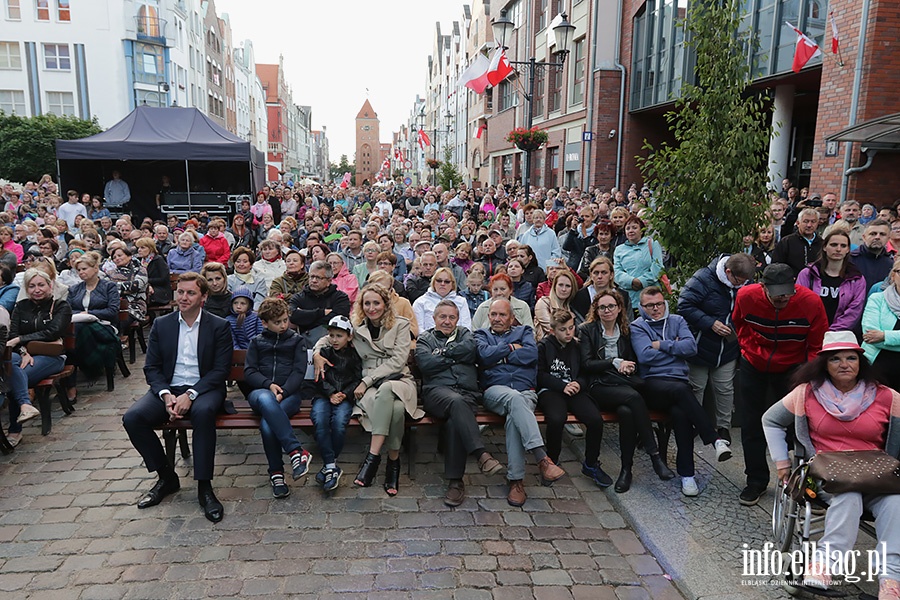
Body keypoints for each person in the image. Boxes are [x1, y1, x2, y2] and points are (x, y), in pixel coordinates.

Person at [762, 331, 900, 597]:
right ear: (824, 363)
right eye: (835, 359)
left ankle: (891, 580)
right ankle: (823, 566)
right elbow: (771, 420)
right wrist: (782, 464)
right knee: (847, 496)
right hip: (825, 472)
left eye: (851, 357)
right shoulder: (806, 394)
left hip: (876, 474)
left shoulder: (887, 396)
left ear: (861, 362)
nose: (844, 364)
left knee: (896, 502)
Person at [122, 273, 233, 523]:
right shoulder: (163, 325)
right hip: (169, 388)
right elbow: (152, 367)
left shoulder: (218, 326)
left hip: (205, 388)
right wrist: (166, 395)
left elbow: (220, 371)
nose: (183, 297)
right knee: (133, 418)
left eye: (190, 293)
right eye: (180, 292)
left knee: (203, 413)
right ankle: (166, 476)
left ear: (203, 297)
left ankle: (204, 487)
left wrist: (191, 395)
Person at [732, 263, 828, 506]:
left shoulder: (811, 302)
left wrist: (808, 375)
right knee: (751, 423)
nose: (782, 298)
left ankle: (802, 483)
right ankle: (756, 480)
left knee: (798, 426)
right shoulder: (746, 295)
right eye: (776, 293)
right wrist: (748, 348)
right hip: (754, 364)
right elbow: (739, 324)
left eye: (787, 291)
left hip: (792, 368)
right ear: (763, 286)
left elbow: (817, 343)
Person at [313, 284, 420, 497]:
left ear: (386, 304)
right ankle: (393, 463)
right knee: (396, 410)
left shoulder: (400, 325)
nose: (372, 308)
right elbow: (328, 337)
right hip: (370, 388)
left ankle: (372, 458)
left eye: (376, 303)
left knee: (389, 389)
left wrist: (367, 380)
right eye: (367, 303)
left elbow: (398, 361)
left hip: (397, 380)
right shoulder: (356, 325)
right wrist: (316, 353)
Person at [630, 287, 732, 497]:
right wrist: (674, 349)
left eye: (659, 304)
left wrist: (661, 345)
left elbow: (691, 348)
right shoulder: (637, 326)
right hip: (653, 384)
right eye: (650, 306)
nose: (655, 309)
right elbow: (645, 356)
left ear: (665, 303)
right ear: (642, 307)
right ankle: (714, 439)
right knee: (682, 391)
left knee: (681, 414)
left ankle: (688, 476)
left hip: (678, 384)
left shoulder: (677, 320)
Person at [476, 298, 565, 507]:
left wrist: (500, 356)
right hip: (495, 391)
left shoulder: (524, 331)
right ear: (488, 316)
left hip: (525, 391)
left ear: (512, 318)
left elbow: (531, 354)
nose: (497, 319)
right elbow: (484, 356)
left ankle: (516, 481)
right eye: (493, 315)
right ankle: (542, 458)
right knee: (514, 400)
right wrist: (511, 349)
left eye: (502, 315)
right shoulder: (481, 335)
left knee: (514, 417)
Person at [416, 300, 504, 506]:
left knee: (455, 418)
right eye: (442, 317)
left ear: (457, 319)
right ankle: (481, 454)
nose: (447, 321)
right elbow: (426, 364)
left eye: (452, 317)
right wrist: (456, 356)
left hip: (467, 394)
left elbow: (470, 350)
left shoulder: (466, 334)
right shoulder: (425, 339)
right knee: (456, 402)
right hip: (436, 394)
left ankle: (456, 483)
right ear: (434, 318)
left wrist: (443, 354)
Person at [677, 253, 755, 442]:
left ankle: (723, 427)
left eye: (745, 281)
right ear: (728, 271)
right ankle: (694, 423)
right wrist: (710, 323)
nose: (741, 285)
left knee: (725, 388)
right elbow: (684, 305)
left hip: (728, 348)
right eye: (738, 280)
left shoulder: (744, 281)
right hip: (700, 345)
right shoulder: (704, 278)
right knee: (697, 387)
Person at [243, 297, 311, 499]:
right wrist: (269, 385)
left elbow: (299, 372)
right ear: (264, 323)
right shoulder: (256, 342)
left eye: (285, 320)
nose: (283, 325)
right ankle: (296, 451)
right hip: (260, 394)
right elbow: (249, 372)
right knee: (265, 399)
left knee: (267, 424)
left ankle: (277, 473)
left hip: (289, 396)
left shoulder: (296, 341)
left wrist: (284, 392)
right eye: (277, 322)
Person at [537, 308, 609, 486]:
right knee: (556, 418)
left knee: (595, 420)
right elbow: (539, 375)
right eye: (563, 329)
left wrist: (578, 383)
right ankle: (552, 462)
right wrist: (562, 386)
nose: (568, 333)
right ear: (552, 331)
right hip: (551, 390)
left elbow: (586, 371)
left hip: (575, 390)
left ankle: (591, 463)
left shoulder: (577, 346)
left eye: (571, 328)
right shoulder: (544, 346)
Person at [4, 269, 73, 447]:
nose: (37, 289)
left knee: (14, 375)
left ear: (50, 285)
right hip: (23, 355)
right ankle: (26, 406)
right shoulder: (21, 306)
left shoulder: (61, 306)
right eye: (32, 286)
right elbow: (12, 336)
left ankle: (15, 430)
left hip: (50, 355)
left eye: (41, 285)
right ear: (26, 289)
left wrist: (22, 340)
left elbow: (53, 332)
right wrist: (23, 351)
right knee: (11, 365)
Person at [310, 315, 362, 493]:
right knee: (320, 420)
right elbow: (319, 377)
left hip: (345, 397)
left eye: (339, 336)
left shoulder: (354, 355)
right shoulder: (324, 352)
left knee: (339, 423)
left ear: (349, 337)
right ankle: (332, 465)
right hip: (324, 395)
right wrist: (330, 393)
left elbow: (357, 378)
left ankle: (328, 466)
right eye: (331, 335)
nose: (334, 340)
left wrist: (344, 394)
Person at [797, 228, 867, 332]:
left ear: (848, 250)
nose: (838, 249)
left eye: (843, 246)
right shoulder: (807, 274)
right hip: (809, 332)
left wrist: (832, 332)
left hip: (839, 335)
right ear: (825, 247)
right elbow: (799, 303)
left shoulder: (857, 279)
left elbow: (854, 311)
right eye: (834, 245)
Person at [289, 260, 352, 346]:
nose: (314, 280)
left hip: (331, 344)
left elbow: (337, 320)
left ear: (329, 281)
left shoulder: (340, 298)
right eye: (311, 277)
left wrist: (304, 318)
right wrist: (321, 313)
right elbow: (292, 315)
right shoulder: (299, 297)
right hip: (305, 343)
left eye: (318, 278)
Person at [862, 255, 900, 392]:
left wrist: (884, 336)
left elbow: (878, 337)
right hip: (877, 368)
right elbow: (869, 337)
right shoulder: (877, 299)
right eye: (899, 271)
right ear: (892, 276)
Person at [613, 216, 663, 313]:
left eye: (634, 227)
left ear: (641, 230)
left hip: (652, 296)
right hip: (629, 298)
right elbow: (617, 272)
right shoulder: (619, 249)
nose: (631, 230)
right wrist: (632, 281)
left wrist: (641, 281)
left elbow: (658, 267)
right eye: (628, 228)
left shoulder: (652, 244)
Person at [412, 268, 471, 332]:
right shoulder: (420, 302)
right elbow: (418, 328)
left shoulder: (462, 302)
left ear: (452, 284)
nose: (442, 284)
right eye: (439, 280)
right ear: (433, 282)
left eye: (447, 281)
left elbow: (466, 328)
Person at [771, 208, 823, 276]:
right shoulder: (786, 242)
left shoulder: (822, 243)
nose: (809, 225)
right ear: (798, 223)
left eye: (813, 222)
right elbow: (776, 266)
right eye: (806, 221)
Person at [534, 270, 582, 341]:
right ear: (554, 286)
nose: (564, 289)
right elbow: (551, 328)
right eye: (560, 285)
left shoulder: (572, 308)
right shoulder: (543, 302)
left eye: (568, 286)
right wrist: (575, 340)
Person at [850, 219, 893, 292]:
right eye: (873, 234)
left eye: (882, 234)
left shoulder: (891, 264)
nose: (877, 237)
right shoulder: (850, 260)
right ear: (864, 237)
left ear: (888, 238)